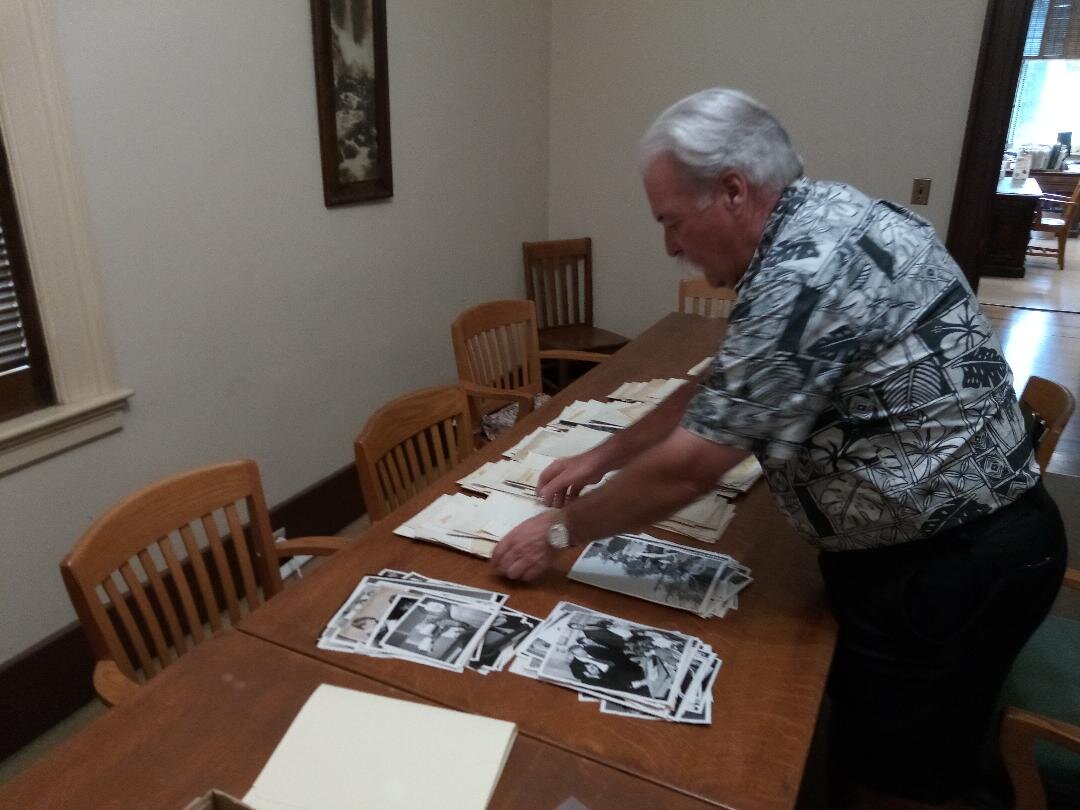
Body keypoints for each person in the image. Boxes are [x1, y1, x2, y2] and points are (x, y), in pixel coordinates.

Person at [490, 87, 1067, 807]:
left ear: (732, 190)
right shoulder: (817, 218)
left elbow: (696, 463)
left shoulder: (804, 269)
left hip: (950, 565)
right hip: (957, 547)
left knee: (896, 785)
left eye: (672, 221)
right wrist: (603, 456)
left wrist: (557, 532)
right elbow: (723, 387)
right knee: (884, 746)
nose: (669, 244)